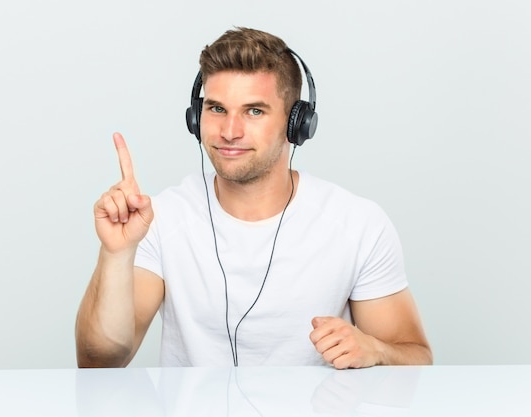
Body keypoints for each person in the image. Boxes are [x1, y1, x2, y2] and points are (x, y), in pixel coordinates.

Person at [75, 27, 432, 369]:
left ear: (297, 124)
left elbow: (416, 357)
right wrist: (116, 254)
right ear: (196, 118)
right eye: (216, 109)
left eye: (254, 111)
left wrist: (377, 350)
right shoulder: (160, 219)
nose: (230, 132)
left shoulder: (357, 224)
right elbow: (100, 361)